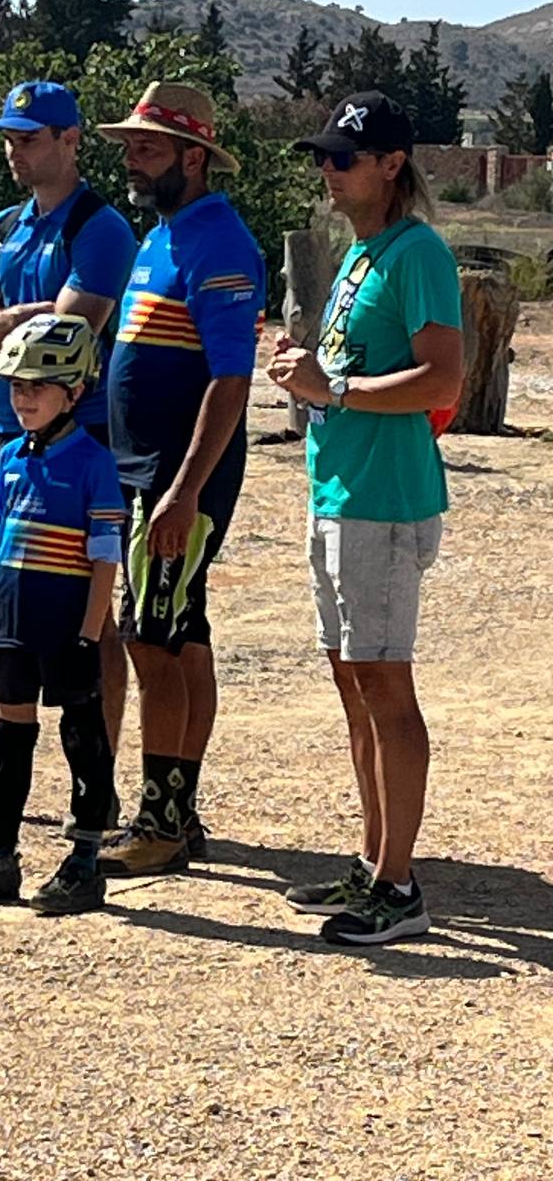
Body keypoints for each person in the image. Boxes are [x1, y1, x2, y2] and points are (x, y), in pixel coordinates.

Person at [268, 90, 463, 946]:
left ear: (392, 165)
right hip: (341, 489)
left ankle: (399, 886)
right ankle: (374, 857)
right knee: (354, 684)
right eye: (323, 157)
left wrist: (333, 388)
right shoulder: (361, 255)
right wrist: (309, 374)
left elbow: (443, 382)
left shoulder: (418, 253)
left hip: (383, 500)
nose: (328, 171)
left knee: (386, 684)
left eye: (343, 159)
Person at [0, 80, 136, 822]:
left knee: (91, 616)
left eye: (30, 138)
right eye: (9, 137)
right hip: (4, 445)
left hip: (78, 445)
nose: (15, 150)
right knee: (3, 604)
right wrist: (25, 315)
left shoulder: (100, 230)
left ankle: (94, 789)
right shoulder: (0, 227)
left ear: (71, 141)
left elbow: (60, 348)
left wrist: (2, 327)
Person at [91, 82, 266, 878]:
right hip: (141, 472)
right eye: (129, 147)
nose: (133, 161)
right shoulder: (158, 235)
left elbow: (231, 380)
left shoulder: (220, 244)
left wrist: (185, 488)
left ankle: (158, 823)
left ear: (194, 159)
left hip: (174, 479)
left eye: (149, 149)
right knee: (181, 635)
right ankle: (178, 813)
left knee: (151, 639)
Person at [0, 314, 126, 915]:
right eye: (16, 386)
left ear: (74, 393)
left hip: (65, 624)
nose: (24, 398)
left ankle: (85, 858)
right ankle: (0, 857)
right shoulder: (10, 458)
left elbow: (104, 559)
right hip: (13, 621)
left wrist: (90, 637)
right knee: (9, 738)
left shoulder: (93, 462)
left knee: (81, 736)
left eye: (37, 386)